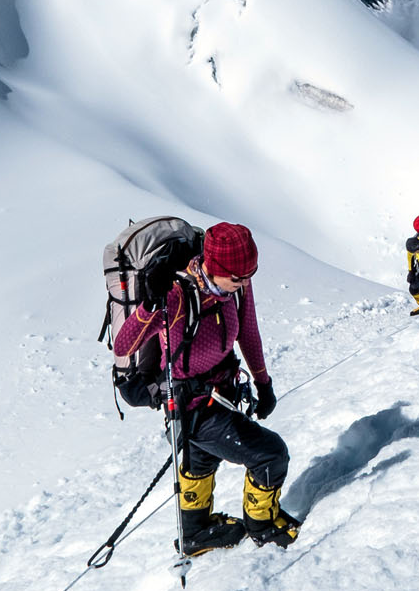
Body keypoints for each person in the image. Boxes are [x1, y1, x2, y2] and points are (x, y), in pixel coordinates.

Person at [112, 222, 300, 555]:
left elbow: (249, 333)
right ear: (214, 267)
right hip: (192, 403)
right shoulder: (176, 295)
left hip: (223, 392)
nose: (243, 284)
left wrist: (263, 382)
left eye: (249, 275)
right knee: (270, 454)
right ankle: (262, 526)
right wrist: (150, 306)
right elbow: (123, 346)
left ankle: (196, 533)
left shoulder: (237, 283)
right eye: (237, 278)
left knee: (199, 461)